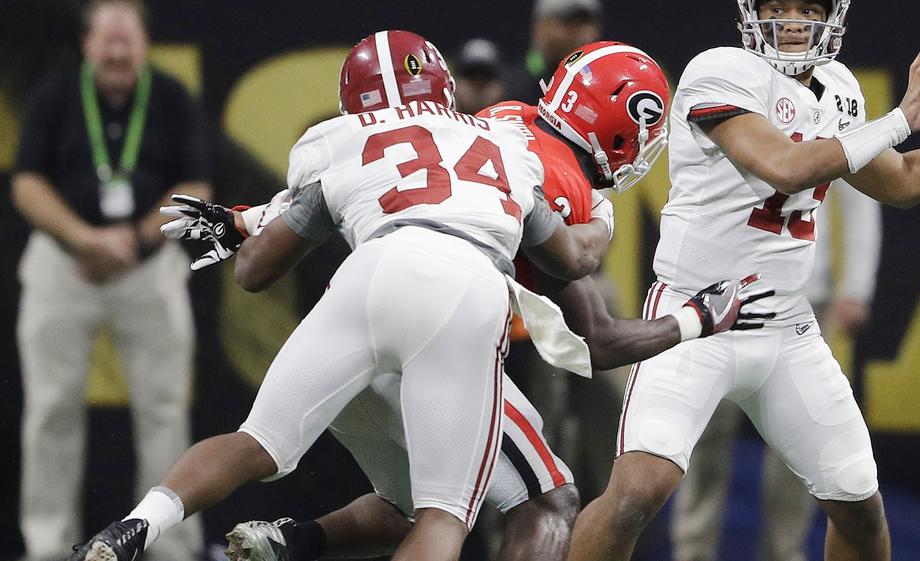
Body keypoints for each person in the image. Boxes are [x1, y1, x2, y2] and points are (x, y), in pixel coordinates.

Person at [170, 41, 766, 561]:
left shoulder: (504, 119)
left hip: (358, 306)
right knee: (541, 499)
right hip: (442, 336)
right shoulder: (568, 192)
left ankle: (294, 542)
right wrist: (695, 319)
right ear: (623, 129)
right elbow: (597, 340)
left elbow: (376, 166)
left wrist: (251, 218)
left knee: (409, 505)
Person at [66, 28, 628, 561]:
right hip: (462, 288)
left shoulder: (343, 140)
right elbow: (574, 259)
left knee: (256, 442)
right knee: (444, 515)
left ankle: (137, 525)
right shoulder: (501, 144)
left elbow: (255, 272)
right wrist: (602, 218)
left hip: (369, 276)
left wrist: (252, 226)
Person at [564, 0, 920, 561]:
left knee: (860, 510)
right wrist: (891, 124)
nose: (791, 21)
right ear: (750, 9)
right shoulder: (717, 71)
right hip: (695, 318)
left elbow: (906, 182)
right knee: (635, 494)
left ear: (832, 13)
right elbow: (781, 165)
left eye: (806, 6)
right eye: (777, 4)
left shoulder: (838, 88)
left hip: (787, 328)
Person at [10, 0, 211, 561]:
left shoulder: (172, 99)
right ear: (86, 45)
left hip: (148, 269)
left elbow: (198, 186)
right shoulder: (55, 95)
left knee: (164, 412)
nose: (118, 50)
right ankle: (46, 547)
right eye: (107, 38)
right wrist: (85, 238)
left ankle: (169, 546)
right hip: (62, 265)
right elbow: (26, 182)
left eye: (128, 38)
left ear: (146, 45)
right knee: (50, 410)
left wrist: (138, 239)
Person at [671, 181, 881, 561]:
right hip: (719, 299)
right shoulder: (716, 119)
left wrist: (856, 286)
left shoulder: (831, 118)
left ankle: (784, 551)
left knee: (802, 444)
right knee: (700, 434)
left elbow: (863, 186)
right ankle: (693, 550)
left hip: (798, 299)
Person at [502, 0, 602, 103]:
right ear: (540, 27)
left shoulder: (604, 85)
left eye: (584, 22)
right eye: (568, 22)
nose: (578, 32)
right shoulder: (508, 87)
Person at [453, 38, 506, 114]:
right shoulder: (437, 124)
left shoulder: (517, 124)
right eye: (470, 76)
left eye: (487, 77)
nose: (478, 85)